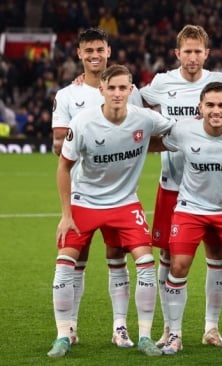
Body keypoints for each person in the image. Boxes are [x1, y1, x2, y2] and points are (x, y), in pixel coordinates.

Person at [48, 64, 174, 358]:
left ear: (131, 91)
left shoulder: (145, 118)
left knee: (145, 262)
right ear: (101, 90)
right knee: (64, 263)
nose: (118, 93)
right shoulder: (82, 122)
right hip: (85, 202)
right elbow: (63, 166)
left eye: (123, 88)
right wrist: (66, 215)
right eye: (112, 88)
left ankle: (143, 335)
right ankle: (63, 335)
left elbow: (181, 128)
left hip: (125, 203)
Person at [152, 81, 222, 355]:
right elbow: (153, 141)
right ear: (200, 108)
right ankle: (174, 334)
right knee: (178, 267)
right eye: (210, 105)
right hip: (191, 208)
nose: (216, 111)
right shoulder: (182, 131)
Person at [139, 25, 222, 349]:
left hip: (210, 186)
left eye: (198, 51)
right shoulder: (162, 83)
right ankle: (169, 329)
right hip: (172, 184)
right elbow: (129, 96)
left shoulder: (217, 81)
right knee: (168, 255)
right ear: (177, 53)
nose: (192, 57)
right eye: (187, 51)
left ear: (207, 54)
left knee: (215, 253)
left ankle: (211, 328)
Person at [50, 27, 143, 348]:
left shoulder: (130, 90)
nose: (94, 55)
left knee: (117, 256)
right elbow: (58, 144)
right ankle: (70, 327)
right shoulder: (67, 96)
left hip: (120, 194)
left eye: (100, 50)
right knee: (76, 258)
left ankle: (120, 328)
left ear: (108, 51)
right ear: (79, 54)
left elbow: (144, 126)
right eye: (88, 50)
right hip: (82, 194)